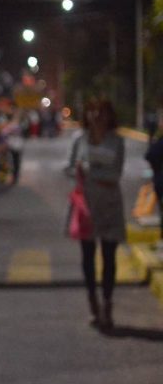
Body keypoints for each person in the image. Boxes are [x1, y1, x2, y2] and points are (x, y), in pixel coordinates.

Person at [68, 99, 126, 329]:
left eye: (102, 112)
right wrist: (78, 169)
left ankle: (108, 302)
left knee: (110, 257)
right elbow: (69, 168)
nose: (97, 116)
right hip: (87, 205)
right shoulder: (79, 139)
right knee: (88, 256)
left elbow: (116, 174)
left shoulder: (117, 141)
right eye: (93, 112)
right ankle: (93, 301)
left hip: (110, 204)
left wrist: (90, 169)